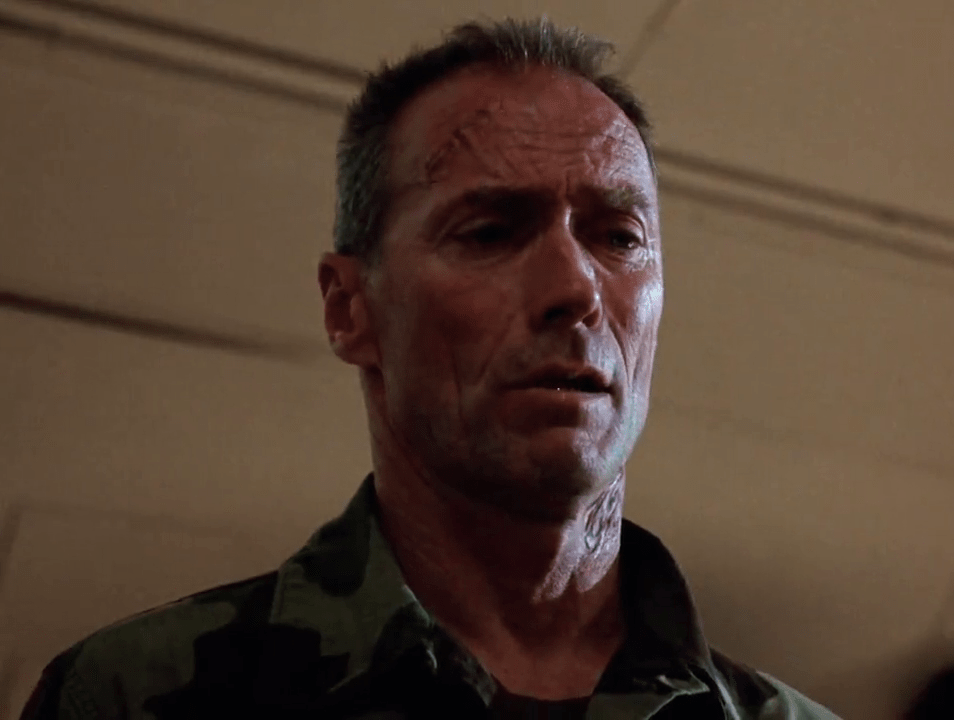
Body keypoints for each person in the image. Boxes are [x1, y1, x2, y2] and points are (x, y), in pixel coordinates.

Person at [20, 17, 839, 720]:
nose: (576, 288)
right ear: (349, 308)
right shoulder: (141, 695)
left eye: (619, 238)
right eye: (490, 233)